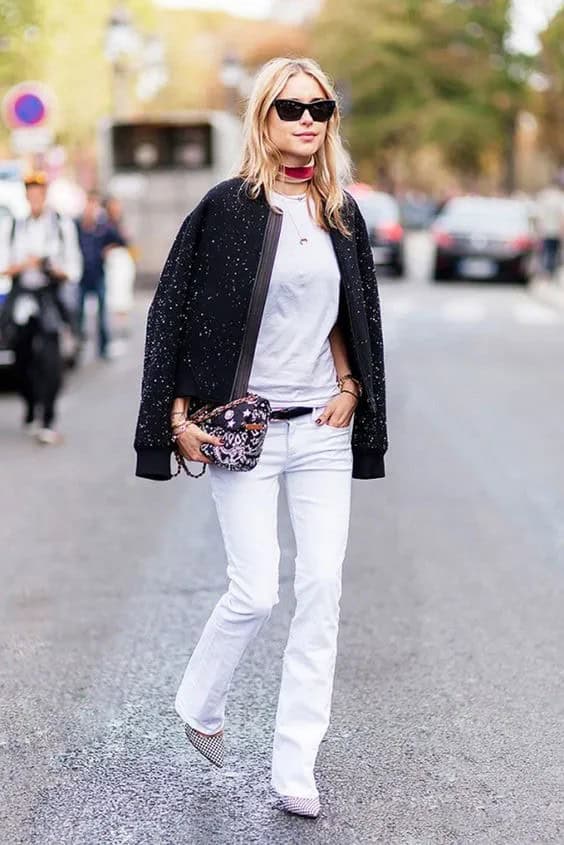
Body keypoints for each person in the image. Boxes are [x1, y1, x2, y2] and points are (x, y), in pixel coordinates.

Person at [134, 57, 388, 819]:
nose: (307, 120)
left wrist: (352, 392)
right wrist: (174, 422)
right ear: (264, 118)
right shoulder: (225, 208)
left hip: (319, 431)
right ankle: (200, 699)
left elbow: (357, 320)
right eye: (291, 107)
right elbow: (175, 317)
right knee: (255, 588)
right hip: (239, 430)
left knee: (322, 587)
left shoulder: (341, 213)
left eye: (321, 107)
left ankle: (295, 761)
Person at [0, 170, 82, 444]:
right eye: (30, 194)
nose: (34, 198)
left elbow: (73, 269)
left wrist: (51, 267)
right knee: (21, 360)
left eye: (39, 193)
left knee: (51, 362)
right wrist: (24, 265)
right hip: (22, 300)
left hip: (49, 300)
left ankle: (47, 418)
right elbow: (5, 267)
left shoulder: (60, 225)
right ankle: (30, 403)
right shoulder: (15, 227)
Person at [75, 190, 127, 359]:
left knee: (101, 314)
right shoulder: (77, 225)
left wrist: (109, 248)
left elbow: (122, 240)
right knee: (79, 315)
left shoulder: (103, 228)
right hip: (81, 276)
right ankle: (79, 347)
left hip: (98, 274)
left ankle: (103, 348)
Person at [536, 176, 564, 278]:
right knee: (553, 252)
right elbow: (562, 216)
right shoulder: (560, 197)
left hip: (545, 229)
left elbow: (539, 214)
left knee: (545, 251)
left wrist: (538, 229)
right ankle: (550, 272)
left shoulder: (544, 196)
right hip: (555, 230)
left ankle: (545, 271)